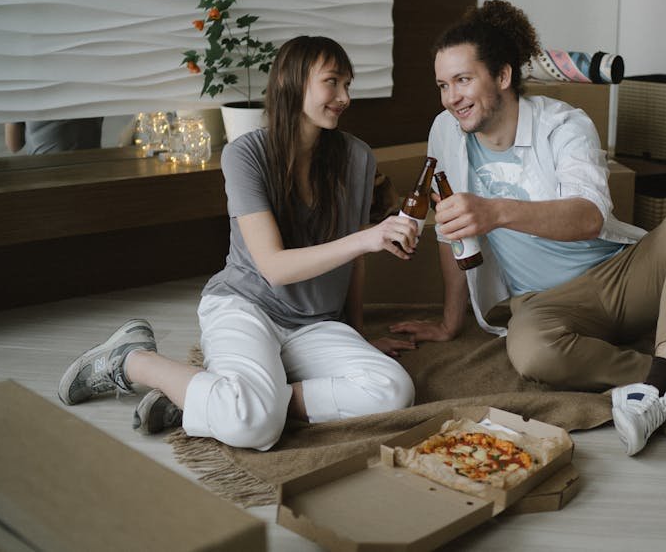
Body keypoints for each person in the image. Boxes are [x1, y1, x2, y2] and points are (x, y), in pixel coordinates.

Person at [390, 0, 666, 456]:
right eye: (443, 85)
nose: (452, 97)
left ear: (504, 76)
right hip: (542, 304)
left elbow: (589, 216)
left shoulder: (564, 124)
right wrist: (451, 324)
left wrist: (496, 211)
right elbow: (449, 230)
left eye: (463, 80)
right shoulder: (445, 131)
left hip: (620, 277)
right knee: (530, 352)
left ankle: (656, 390)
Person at [58, 36, 419, 450]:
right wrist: (366, 238)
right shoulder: (245, 154)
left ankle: (206, 394)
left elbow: (355, 264)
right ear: (290, 82)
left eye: (348, 85)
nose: (344, 97)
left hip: (315, 323)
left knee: (393, 390)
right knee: (255, 428)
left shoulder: (357, 157)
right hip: (247, 306)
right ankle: (132, 360)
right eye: (332, 82)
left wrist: (357, 336)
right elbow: (273, 266)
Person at [4, 117, 104, 154]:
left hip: (43, 176)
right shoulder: (95, 79)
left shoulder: (24, 86)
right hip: (92, 171)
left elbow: (14, 145)